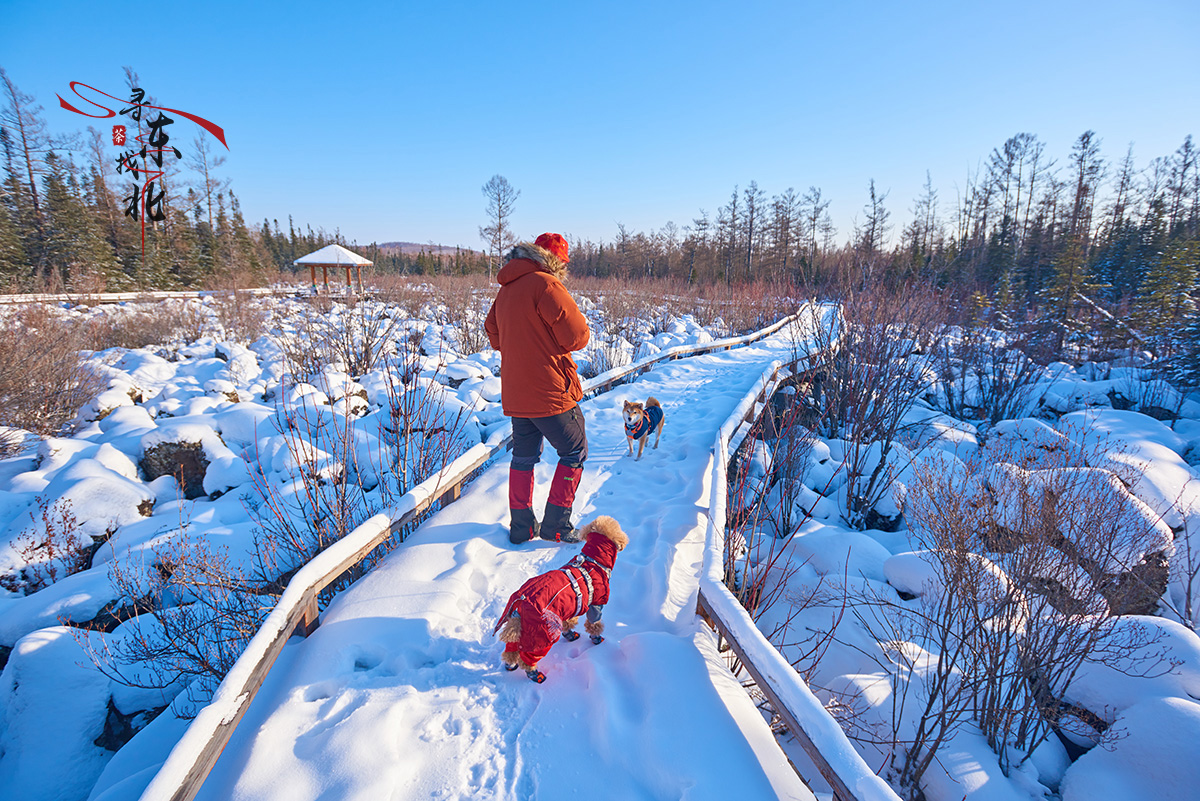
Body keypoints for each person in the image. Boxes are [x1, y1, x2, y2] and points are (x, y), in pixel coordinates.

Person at [484, 232, 591, 544]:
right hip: (550, 391)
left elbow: (493, 332)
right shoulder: (547, 285)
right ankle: (556, 524)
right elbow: (576, 337)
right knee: (575, 450)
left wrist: (522, 345)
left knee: (523, 456)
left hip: (517, 393)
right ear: (554, 260)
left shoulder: (506, 289)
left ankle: (522, 528)